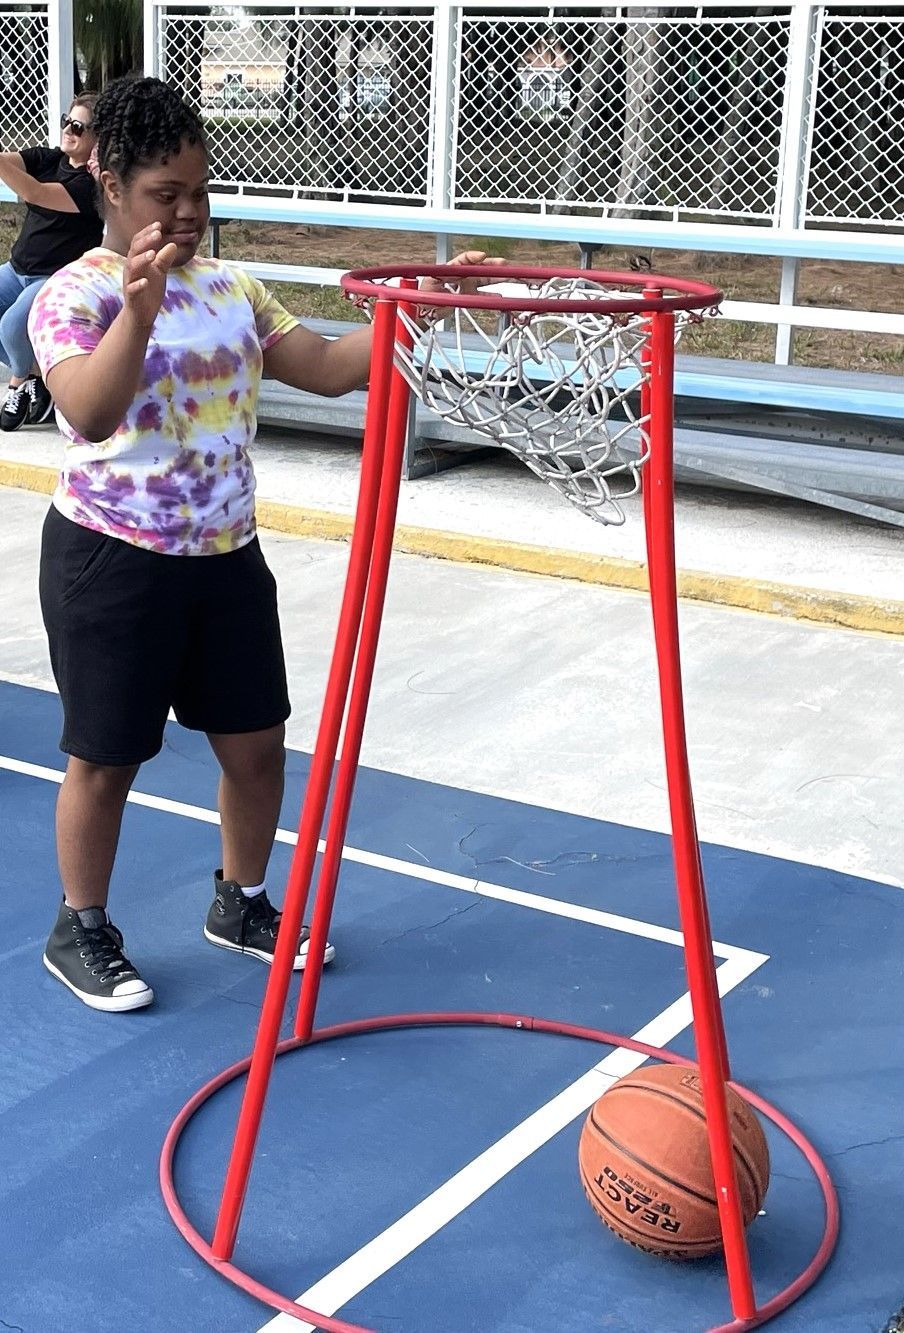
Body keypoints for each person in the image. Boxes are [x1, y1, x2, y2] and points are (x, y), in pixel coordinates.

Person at [27, 74, 502, 1013]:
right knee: (107, 758)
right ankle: (80, 926)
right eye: (167, 194)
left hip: (226, 557)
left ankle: (239, 903)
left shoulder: (234, 287)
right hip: (111, 557)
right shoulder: (71, 296)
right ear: (112, 185)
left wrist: (416, 304)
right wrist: (141, 307)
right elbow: (88, 410)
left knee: (256, 746)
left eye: (201, 191)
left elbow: (326, 370)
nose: (191, 212)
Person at [0, 94, 102, 431]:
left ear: (97, 138)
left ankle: (19, 380)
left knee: (13, 326)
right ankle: (40, 374)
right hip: (17, 270)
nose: (68, 130)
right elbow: (10, 163)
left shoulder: (91, 187)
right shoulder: (49, 158)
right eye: (66, 121)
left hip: (56, 277)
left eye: (78, 126)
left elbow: (36, 194)